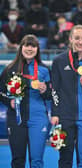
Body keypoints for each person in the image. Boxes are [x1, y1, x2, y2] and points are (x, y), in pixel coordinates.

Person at [51, 25, 82, 168]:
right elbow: (55, 89)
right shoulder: (59, 61)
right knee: (65, 158)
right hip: (65, 116)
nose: (80, 41)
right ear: (71, 39)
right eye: (77, 38)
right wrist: (55, 113)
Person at [0, 34, 51, 168]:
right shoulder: (10, 70)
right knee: (18, 160)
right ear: (21, 48)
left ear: (37, 49)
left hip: (38, 119)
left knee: (37, 160)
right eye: (26, 45)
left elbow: (52, 95)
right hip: (16, 119)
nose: (29, 48)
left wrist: (45, 90)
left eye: (33, 46)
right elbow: (1, 93)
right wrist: (9, 101)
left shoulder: (45, 70)